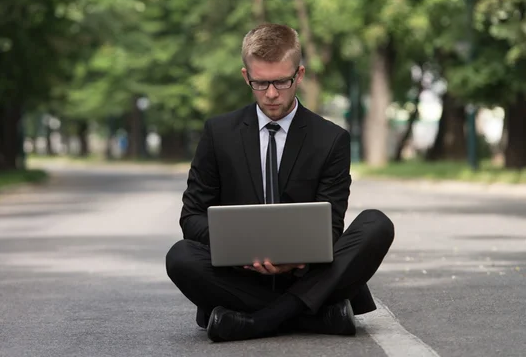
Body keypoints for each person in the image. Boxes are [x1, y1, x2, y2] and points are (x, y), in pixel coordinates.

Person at [166, 23, 395, 342]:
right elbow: (191, 218)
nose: (271, 93)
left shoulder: (331, 139)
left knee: (376, 224)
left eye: (281, 82)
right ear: (246, 76)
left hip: (309, 273)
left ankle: (257, 321)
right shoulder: (218, 134)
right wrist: (245, 247)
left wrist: (295, 258)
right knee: (180, 256)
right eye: (260, 83)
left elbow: (331, 226)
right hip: (239, 275)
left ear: (299, 75)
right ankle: (315, 317)